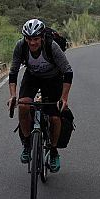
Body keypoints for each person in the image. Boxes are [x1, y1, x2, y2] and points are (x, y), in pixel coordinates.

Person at [7, 18, 73, 172]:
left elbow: (68, 72)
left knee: (55, 117)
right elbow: (13, 72)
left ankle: (54, 151)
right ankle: (27, 144)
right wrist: (12, 96)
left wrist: (64, 98)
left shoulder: (52, 47)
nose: (32, 43)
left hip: (53, 79)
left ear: (42, 37)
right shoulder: (20, 46)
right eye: (29, 39)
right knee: (23, 106)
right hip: (32, 77)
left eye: (35, 39)